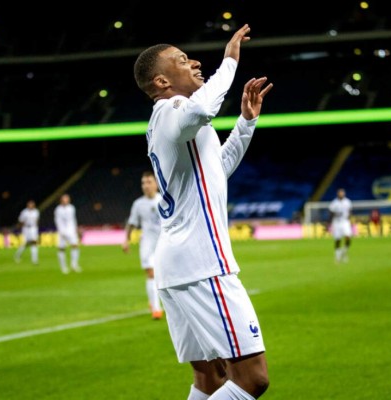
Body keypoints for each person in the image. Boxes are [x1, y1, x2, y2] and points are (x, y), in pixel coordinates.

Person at [133, 24, 273, 400]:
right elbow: (202, 105)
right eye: (182, 60)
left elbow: (217, 171)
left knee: (210, 378)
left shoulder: (177, 124)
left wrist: (246, 123)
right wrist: (229, 60)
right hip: (202, 264)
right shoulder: (170, 111)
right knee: (251, 378)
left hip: (178, 265)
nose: (195, 62)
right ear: (162, 81)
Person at [122, 170, 164, 320]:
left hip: (164, 243)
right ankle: (156, 309)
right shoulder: (138, 204)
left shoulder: (164, 200)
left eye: (149, 182)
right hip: (147, 242)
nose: (146, 186)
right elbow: (132, 223)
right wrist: (126, 240)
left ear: (156, 184)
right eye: (143, 183)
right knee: (151, 273)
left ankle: (154, 300)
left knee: (163, 275)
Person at [54, 193, 81, 274]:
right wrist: (61, 231)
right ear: (61, 200)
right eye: (64, 199)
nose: (66, 200)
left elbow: (73, 219)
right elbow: (57, 221)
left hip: (71, 230)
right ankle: (63, 267)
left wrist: (76, 229)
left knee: (75, 246)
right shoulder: (58, 209)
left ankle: (74, 265)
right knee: (61, 248)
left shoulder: (72, 208)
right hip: (62, 231)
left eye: (67, 199)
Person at [329, 188, 353, 263]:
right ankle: (337, 256)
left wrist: (349, 218)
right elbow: (331, 213)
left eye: (342, 193)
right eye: (340, 193)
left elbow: (350, 211)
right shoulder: (334, 203)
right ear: (337, 194)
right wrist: (330, 221)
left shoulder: (348, 202)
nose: (341, 194)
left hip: (345, 222)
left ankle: (344, 251)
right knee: (337, 239)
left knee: (348, 236)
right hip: (336, 223)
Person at [14, 199, 40, 265]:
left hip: (33, 228)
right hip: (26, 229)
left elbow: (37, 221)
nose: (31, 205)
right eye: (30, 204)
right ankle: (17, 254)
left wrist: (37, 229)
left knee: (34, 243)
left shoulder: (36, 212)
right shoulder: (24, 212)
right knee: (25, 244)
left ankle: (34, 260)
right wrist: (18, 229)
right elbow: (21, 221)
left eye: (32, 204)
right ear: (27, 205)